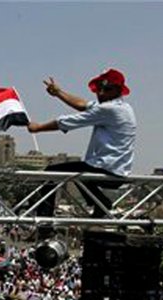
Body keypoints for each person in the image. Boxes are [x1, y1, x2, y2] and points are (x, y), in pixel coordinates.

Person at [27, 69, 136, 232]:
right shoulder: (122, 107)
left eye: (106, 89)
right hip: (113, 169)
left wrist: (38, 128)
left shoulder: (109, 110)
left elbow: (71, 121)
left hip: (107, 169)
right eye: (99, 88)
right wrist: (58, 93)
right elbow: (83, 104)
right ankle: (99, 202)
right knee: (80, 171)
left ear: (118, 90)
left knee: (51, 172)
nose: (100, 93)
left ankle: (45, 223)